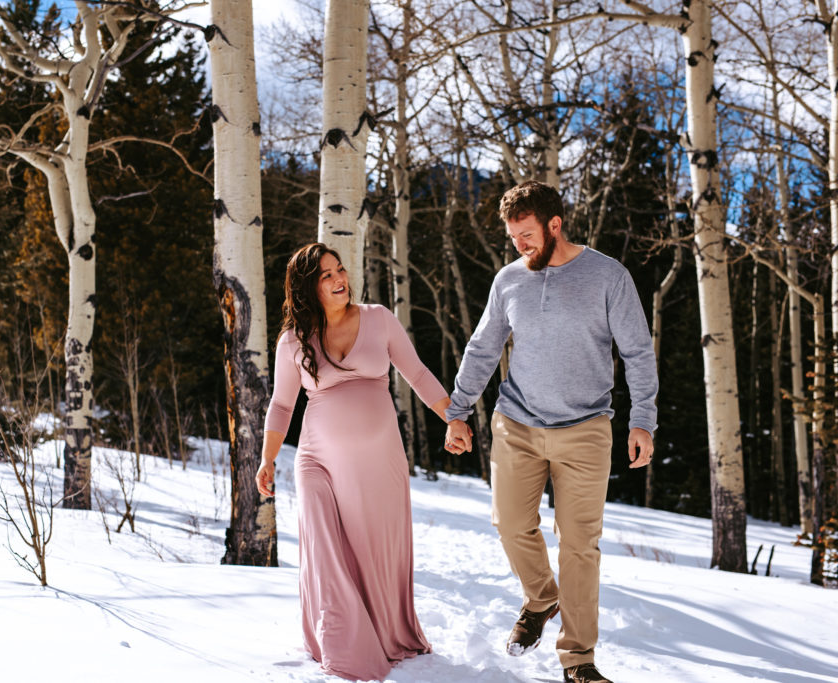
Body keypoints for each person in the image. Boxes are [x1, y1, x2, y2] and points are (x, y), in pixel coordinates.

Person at [443, 181, 658, 683]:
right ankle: (541, 598)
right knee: (510, 523)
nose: (518, 245)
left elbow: (637, 353)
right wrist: (458, 410)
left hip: (586, 430)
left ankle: (578, 659)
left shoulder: (608, 276)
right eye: (513, 237)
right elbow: (482, 348)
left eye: (526, 235)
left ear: (554, 225)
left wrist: (642, 420)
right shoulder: (509, 281)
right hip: (516, 423)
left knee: (580, 545)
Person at [256, 242, 451, 681]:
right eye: (326, 275)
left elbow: (417, 373)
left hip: (378, 463)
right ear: (308, 286)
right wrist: (267, 459)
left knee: (372, 551)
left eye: (339, 269)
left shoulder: (378, 319)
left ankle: (383, 633)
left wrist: (452, 419)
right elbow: (282, 405)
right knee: (326, 552)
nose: (339, 278)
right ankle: (343, 646)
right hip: (316, 462)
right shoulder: (292, 340)